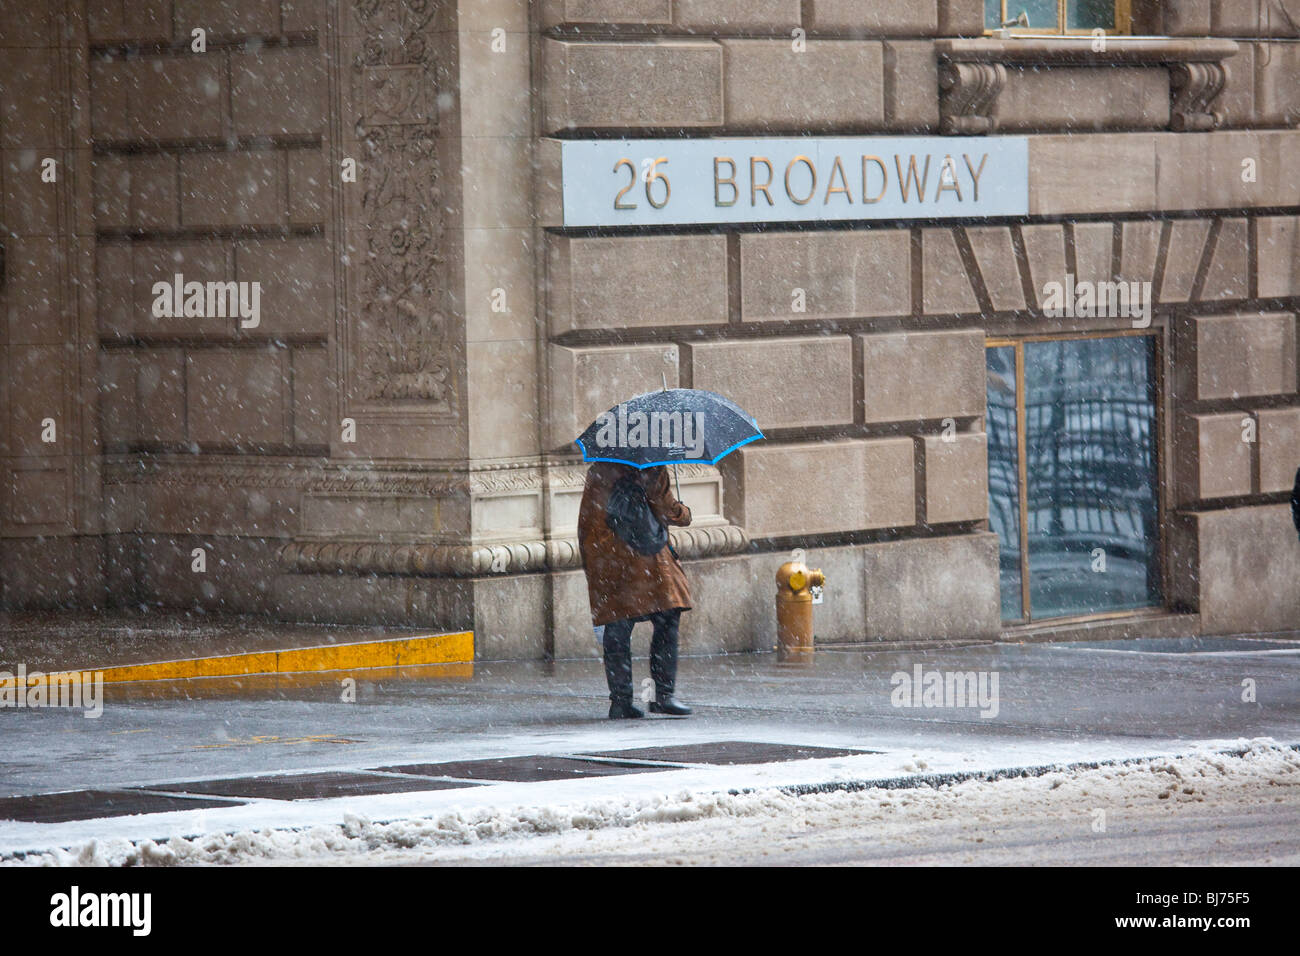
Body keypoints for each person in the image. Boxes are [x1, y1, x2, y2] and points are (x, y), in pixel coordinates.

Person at [577, 462, 694, 719]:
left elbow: (587, 518)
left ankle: (620, 701)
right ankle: (663, 696)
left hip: (607, 554)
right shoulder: (652, 467)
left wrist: (594, 557)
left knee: (618, 623)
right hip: (645, 555)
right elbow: (666, 510)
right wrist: (683, 512)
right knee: (667, 616)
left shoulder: (598, 469)